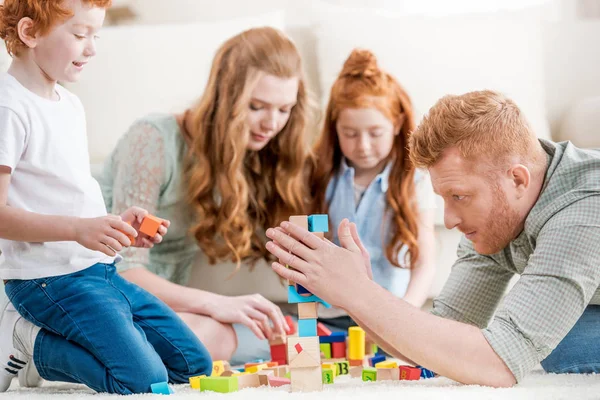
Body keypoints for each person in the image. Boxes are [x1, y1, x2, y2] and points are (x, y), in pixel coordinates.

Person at [265, 90, 600, 387]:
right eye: (443, 198)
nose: (449, 220)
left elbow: (497, 365)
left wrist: (359, 291)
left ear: (517, 179)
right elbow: (436, 345)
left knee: (562, 343)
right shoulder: (495, 218)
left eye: (459, 196)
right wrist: (354, 293)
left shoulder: (584, 209)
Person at [0, 0, 211, 393]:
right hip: (47, 281)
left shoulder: (70, 106)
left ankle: (51, 348)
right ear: (29, 33)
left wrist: (115, 225)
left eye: (95, 35)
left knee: (193, 366)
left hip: (99, 271)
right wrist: (79, 230)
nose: (92, 47)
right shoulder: (9, 108)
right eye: (80, 35)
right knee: (143, 382)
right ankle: (29, 340)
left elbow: (67, 198)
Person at [97, 26, 313, 363]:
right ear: (226, 96)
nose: (271, 123)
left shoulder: (251, 153)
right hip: (106, 294)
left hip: (166, 310)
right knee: (208, 338)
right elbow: (125, 270)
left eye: (285, 109)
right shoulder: (153, 139)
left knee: (268, 337)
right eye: (257, 106)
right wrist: (216, 303)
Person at [309, 49, 436, 329]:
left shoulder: (414, 179)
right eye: (350, 134)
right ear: (335, 128)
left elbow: (425, 261)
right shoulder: (319, 175)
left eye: (375, 133)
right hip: (328, 317)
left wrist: (407, 314)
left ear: (397, 124)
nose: (363, 146)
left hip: (392, 316)